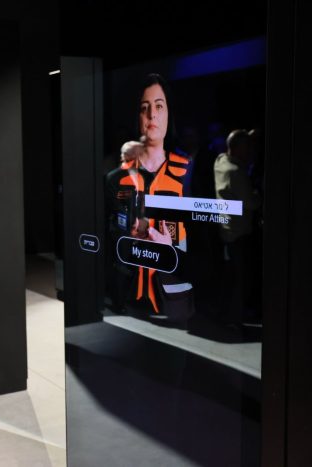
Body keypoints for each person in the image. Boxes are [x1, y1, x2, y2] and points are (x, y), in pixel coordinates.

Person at [105, 73, 194, 323]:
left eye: (159, 106)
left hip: (174, 303)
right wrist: (125, 235)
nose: (152, 115)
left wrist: (172, 248)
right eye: (144, 108)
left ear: (169, 113)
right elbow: (108, 230)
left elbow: (202, 239)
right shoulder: (116, 178)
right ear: (137, 117)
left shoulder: (187, 171)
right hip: (127, 302)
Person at [213, 129, 261, 324]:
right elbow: (251, 203)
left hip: (226, 231)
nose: (250, 150)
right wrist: (258, 193)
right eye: (246, 146)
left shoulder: (220, 162)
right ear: (237, 148)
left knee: (230, 277)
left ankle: (224, 315)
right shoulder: (236, 173)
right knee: (240, 281)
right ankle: (235, 321)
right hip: (239, 233)